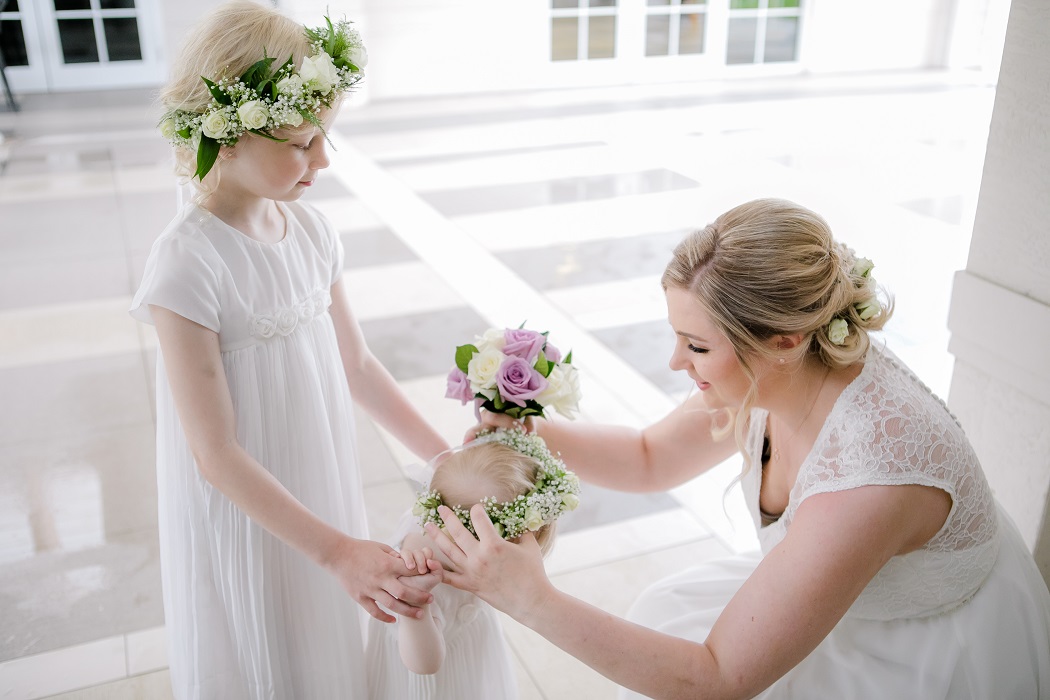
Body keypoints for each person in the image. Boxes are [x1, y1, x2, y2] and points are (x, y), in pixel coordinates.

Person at [427, 198, 1050, 699]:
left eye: (696, 346)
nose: (677, 362)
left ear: (784, 339)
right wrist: (528, 434)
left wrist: (531, 598)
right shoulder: (783, 370)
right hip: (842, 592)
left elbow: (719, 679)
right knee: (657, 620)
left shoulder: (871, 475)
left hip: (921, 650)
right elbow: (651, 457)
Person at [128, 2, 448, 697]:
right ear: (230, 135)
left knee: (321, 640)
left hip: (316, 475)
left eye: (325, 135)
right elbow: (215, 456)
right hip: (250, 502)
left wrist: (444, 459)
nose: (324, 159)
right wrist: (336, 552)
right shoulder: (187, 265)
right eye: (303, 140)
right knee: (266, 635)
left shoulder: (309, 232)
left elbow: (357, 366)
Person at [366, 428, 579, 700]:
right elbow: (423, 665)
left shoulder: (434, 515)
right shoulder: (418, 578)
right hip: (435, 672)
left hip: (470, 645)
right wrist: (415, 610)